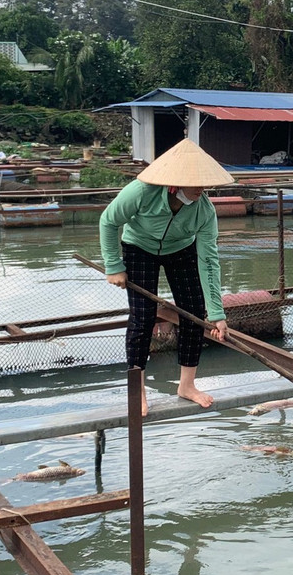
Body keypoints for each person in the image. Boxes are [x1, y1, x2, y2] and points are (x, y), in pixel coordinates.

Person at [99, 138, 234, 411]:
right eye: (196, 184)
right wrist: (114, 266)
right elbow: (109, 221)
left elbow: (208, 260)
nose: (202, 190)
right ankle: (137, 391)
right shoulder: (141, 192)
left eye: (205, 184)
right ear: (175, 182)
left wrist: (217, 313)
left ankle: (187, 385)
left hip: (181, 250)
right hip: (139, 248)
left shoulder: (205, 211)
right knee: (143, 317)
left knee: (193, 314)